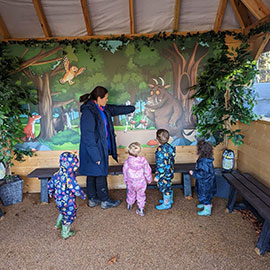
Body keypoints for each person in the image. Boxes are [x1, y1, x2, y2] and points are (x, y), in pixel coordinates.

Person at [79, 86, 135, 209]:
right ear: (99, 98)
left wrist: (132, 108)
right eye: (106, 98)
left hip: (98, 147)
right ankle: (105, 201)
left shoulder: (101, 108)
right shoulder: (89, 112)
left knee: (93, 173)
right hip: (93, 148)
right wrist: (95, 156)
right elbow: (87, 136)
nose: (107, 100)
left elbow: (115, 109)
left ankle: (93, 199)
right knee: (99, 173)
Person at [48, 152, 86, 239]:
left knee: (62, 211)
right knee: (69, 215)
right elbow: (75, 189)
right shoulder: (69, 177)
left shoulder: (56, 174)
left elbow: (50, 184)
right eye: (74, 166)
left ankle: (57, 225)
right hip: (68, 201)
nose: (76, 168)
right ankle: (65, 233)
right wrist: (82, 195)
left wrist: (50, 192)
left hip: (58, 199)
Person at [123, 142, 152, 216]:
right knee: (141, 195)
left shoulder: (127, 162)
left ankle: (129, 204)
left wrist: (125, 180)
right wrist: (149, 179)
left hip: (131, 182)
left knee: (131, 193)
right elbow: (147, 171)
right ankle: (141, 209)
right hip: (141, 183)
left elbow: (125, 172)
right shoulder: (143, 160)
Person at [189, 138, 216, 216]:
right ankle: (205, 204)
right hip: (208, 181)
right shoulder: (207, 159)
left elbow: (203, 173)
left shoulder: (203, 161)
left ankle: (207, 208)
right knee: (207, 193)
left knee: (204, 195)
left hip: (205, 183)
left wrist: (193, 173)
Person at [154, 129, 176, 210]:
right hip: (170, 171)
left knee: (165, 188)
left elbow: (161, 166)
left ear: (157, 139)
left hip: (163, 174)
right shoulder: (170, 147)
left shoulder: (159, 151)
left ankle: (166, 204)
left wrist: (157, 176)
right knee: (168, 185)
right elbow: (172, 158)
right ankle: (169, 200)